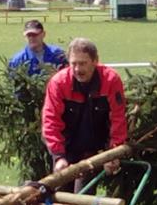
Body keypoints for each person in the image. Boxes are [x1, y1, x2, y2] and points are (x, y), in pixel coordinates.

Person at [41, 37, 128, 187]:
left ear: (95, 61)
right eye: (73, 63)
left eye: (82, 63)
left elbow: (118, 118)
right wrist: (59, 157)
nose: (77, 69)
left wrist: (113, 153)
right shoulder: (59, 83)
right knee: (61, 195)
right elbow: (51, 121)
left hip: (95, 152)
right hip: (67, 149)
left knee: (82, 194)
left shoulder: (110, 80)